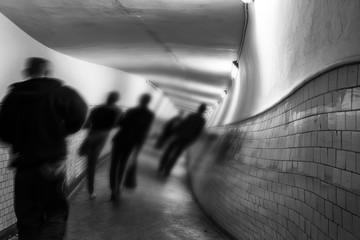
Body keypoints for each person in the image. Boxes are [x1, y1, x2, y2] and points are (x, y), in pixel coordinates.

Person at [0, 57, 87, 240]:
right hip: (52, 164)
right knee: (54, 213)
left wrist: (17, 141)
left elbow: (3, 130)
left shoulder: (13, 96)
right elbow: (80, 114)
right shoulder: (62, 93)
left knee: (27, 216)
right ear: (47, 73)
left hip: (24, 165)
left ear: (27, 73)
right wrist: (62, 131)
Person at [110, 93, 154, 201]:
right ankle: (118, 189)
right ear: (148, 102)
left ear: (140, 100)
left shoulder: (131, 111)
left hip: (120, 140)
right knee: (122, 165)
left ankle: (113, 190)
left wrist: (121, 117)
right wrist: (138, 148)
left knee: (114, 165)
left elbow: (120, 123)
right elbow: (144, 132)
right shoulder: (149, 115)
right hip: (131, 143)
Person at [80, 91, 121, 199]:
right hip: (102, 136)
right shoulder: (117, 110)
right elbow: (116, 124)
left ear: (107, 97)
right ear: (116, 100)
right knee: (92, 164)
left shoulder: (96, 108)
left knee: (90, 163)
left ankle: (91, 190)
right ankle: (91, 192)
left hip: (92, 134)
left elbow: (86, 125)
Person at [158, 103, 207, 177]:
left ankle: (162, 166)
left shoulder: (191, 116)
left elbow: (183, 124)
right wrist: (191, 141)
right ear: (204, 111)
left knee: (169, 150)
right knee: (176, 155)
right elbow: (198, 133)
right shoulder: (202, 121)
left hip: (179, 136)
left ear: (199, 108)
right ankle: (167, 170)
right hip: (186, 140)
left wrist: (174, 132)